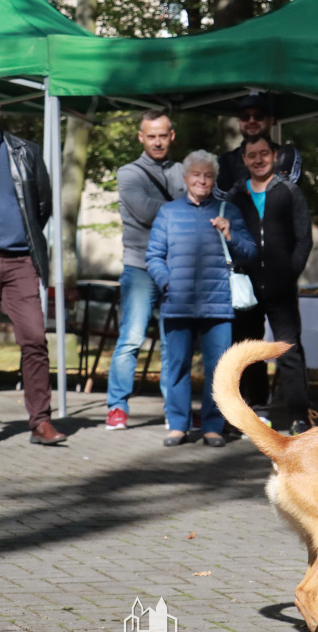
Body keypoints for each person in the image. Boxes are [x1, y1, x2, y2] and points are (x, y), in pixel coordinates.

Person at [146, 150, 256, 448]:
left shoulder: (228, 210)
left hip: (218, 305)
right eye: (196, 175)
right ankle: (178, 425)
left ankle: (212, 427)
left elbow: (250, 252)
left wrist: (230, 234)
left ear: (214, 179)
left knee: (218, 370)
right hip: (178, 304)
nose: (202, 180)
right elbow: (153, 255)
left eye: (208, 175)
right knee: (177, 366)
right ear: (185, 178)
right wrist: (167, 282)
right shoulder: (168, 212)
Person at [0, 90, 66, 446]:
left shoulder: (26, 152)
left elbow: (42, 206)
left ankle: (40, 422)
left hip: (21, 260)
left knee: (34, 338)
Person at [226, 134, 313, 435]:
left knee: (289, 350)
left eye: (264, 153)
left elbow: (304, 239)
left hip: (282, 287)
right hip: (246, 288)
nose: (259, 159)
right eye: (252, 155)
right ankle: (258, 410)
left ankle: (300, 416)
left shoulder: (289, 192)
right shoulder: (235, 196)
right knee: (250, 351)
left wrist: (290, 272)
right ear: (244, 160)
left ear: (274, 156)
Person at [105, 110, 186, 430]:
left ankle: (175, 410)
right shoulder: (128, 173)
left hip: (176, 268)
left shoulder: (184, 170)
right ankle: (117, 407)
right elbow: (146, 211)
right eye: (150, 135)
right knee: (131, 339)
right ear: (140, 137)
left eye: (162, 135)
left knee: (173, 342)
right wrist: (188, 206)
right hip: (139, 267)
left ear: (172, 136)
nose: (157, 141)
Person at [214, 92, 302, 201]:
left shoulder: (286, 154)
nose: (251, 120)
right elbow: (222, 199)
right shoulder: (224, 160)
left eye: (258, 116)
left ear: (271, 120)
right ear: (239, 121)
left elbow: (282, 192)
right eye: (245, 117)